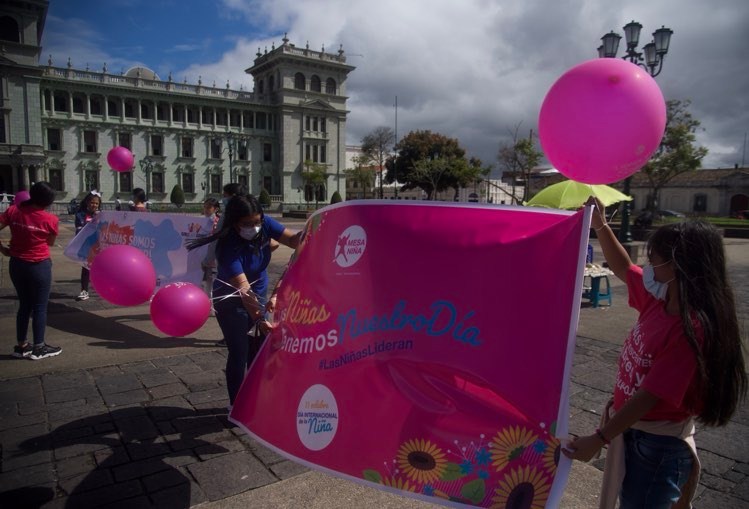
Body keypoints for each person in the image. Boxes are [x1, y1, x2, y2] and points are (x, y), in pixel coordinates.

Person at [563, 197, 747, 509]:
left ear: (678, 266)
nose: (649, 266)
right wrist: (601, 226)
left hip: (658, 445)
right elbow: (622, 266)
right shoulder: (658, 302)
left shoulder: (691, 330)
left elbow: (649, 395)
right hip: (634, 433)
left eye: (655, 259)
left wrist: (599, 438)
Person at [186, 194, 300, 407]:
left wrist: (314, 229)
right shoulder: (226, 247)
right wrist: (258, 319)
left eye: (257, 222)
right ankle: (237, 405)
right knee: (239, 350)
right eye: (248, 224)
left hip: (259, 296)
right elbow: (243, 290)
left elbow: (293, 241)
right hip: (231, 301)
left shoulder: (265, 224)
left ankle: (257, 399)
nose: (255, 227)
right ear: (235, 224)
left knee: (258, 351)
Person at [0, 182, 63, 360]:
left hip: (17, 264)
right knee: (40, 307)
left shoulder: (13, 211)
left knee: (24, 305)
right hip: (38, 265)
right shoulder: (51, 220)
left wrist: (2, 249)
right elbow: (49, 243)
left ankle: (22, 346)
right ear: (48, 201)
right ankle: (39, 347)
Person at [74, 191, 101, 301]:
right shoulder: (80, 214)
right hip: (87, 246)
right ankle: (84, 290)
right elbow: (79, 229)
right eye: (92, 202)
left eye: (96, 203)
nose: (94, 205)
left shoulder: (101, 214)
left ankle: (102, 289)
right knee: (86, 268)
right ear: (87, 202)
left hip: (99, 246)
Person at [201, 197, 220, 303]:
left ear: (215, 209)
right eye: (204, 207)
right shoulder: (201, 221)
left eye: (209, 207)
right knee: (205, 281)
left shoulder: (217, 222)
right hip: (202, 254)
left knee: (211, 281)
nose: (206, 210)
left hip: (212, 256)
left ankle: (211, 304)